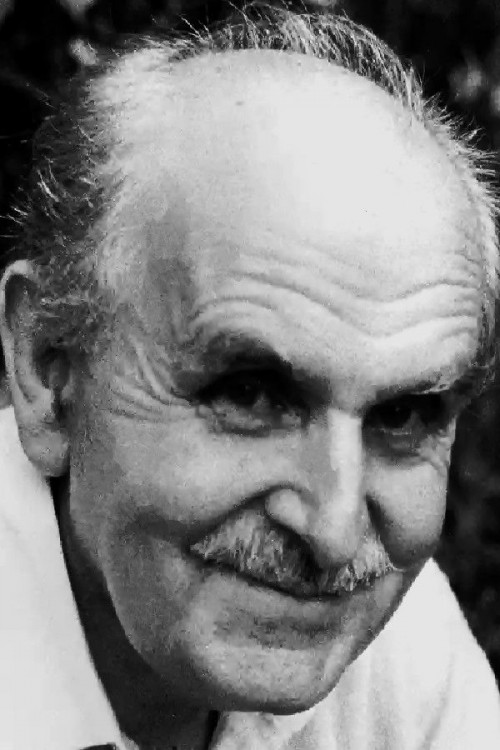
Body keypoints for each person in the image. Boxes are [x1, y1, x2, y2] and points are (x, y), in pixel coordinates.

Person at [0, 6, 499, 749]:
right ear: (48, 369)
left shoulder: (401, 655)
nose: (335, 532)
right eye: (250, 394)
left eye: (402, 416)